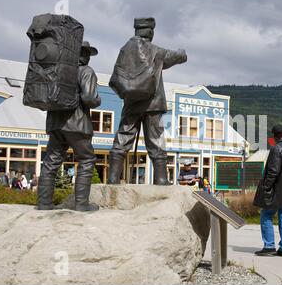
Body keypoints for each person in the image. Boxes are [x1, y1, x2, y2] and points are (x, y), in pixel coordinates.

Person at [108, 17, 187, 185]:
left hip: (132, 102)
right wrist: (182, 52)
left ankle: (113, 178)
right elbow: (176, 56)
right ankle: (161, 178)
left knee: (124, 135)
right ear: (150, 32)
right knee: (155, 138)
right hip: (153, 103)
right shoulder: (155, 51)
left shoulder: (125, 49)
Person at [37, 41, 101, 211]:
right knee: (86, 159)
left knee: (51, 161)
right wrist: (97, 99)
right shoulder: (86, 71)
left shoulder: (57, 71)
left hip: (55, 123)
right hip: (77, 124)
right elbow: (89, 98)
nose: (87, 57)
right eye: (85, 53)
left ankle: (44, 203)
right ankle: (81, 205)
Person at [253, 124, 282, 257]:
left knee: (266, 214)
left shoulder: (276, 149)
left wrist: (266, 187)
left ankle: (269, 246)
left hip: (277, 190)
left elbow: (273, 171)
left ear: (274, 136)